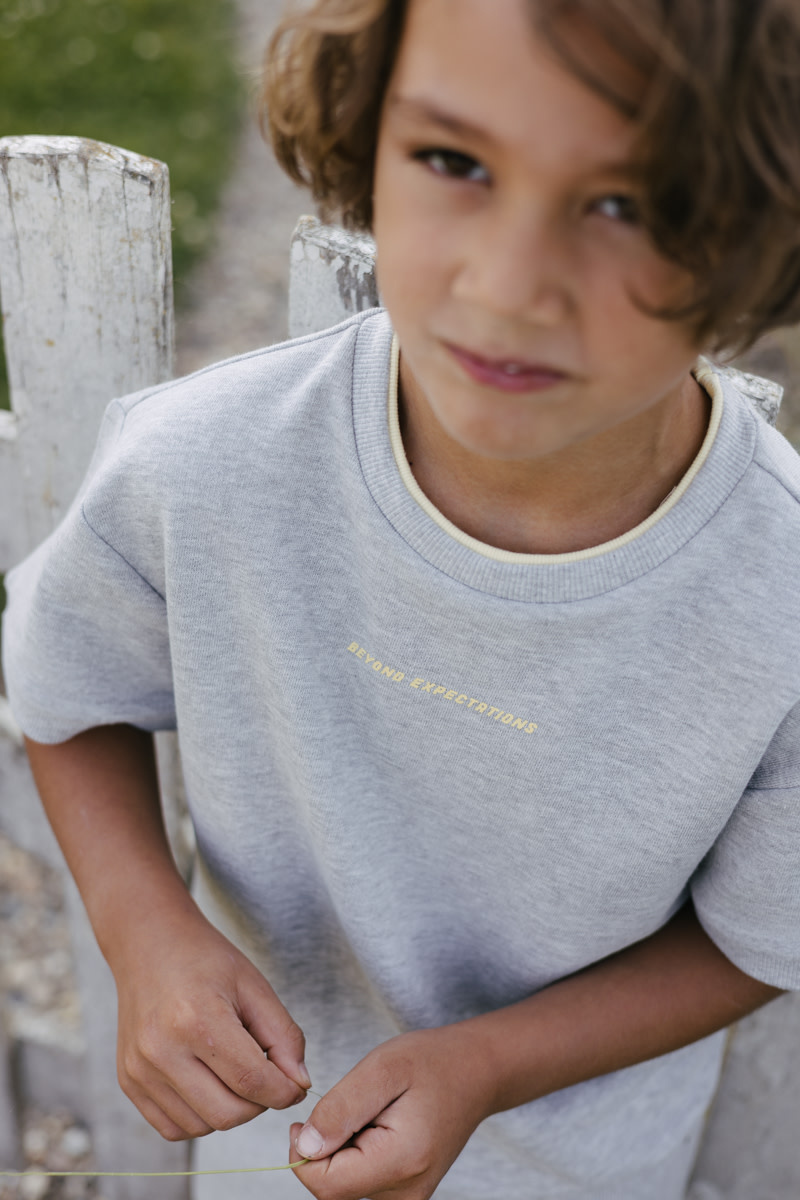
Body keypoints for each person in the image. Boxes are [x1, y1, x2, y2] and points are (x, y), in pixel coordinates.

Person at [4, 0, 800, 1196]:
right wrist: (142, 927)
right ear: (366, 128)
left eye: (632, 203)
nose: (507, 284)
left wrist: (486, 1065)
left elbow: (756, 938)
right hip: (266, 1144)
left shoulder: (775, 599)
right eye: (453, 159)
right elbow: (66, 690)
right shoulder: (206, 466)